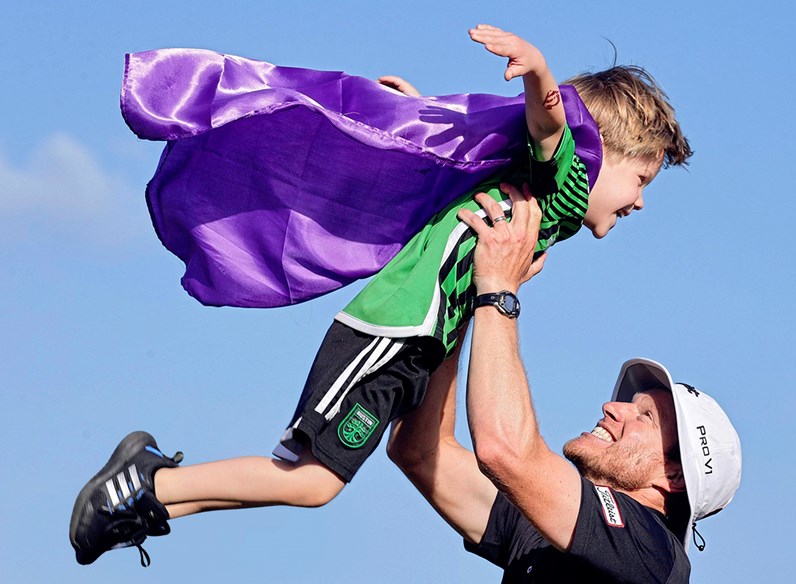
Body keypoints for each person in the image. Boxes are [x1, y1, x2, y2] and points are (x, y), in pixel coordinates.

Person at [70, 26, 691, 566]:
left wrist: (418, 115)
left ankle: (148, 494)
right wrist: (542, 74)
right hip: (395, 329)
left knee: (316, 481)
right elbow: (553, 125)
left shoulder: (540, 199)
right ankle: (146, 486)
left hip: (424, 339)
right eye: (639, 178)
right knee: (315, 481)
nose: (639, 199)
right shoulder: (565, 181)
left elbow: (465, 162)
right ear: (599, 151)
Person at [388, 185, 742, 582]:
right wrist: (464, 298)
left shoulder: (652, 553)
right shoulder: (549, 532)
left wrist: (498, 290)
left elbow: (505, 452)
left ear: (674, 477)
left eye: (645, 416)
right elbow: (419, 451)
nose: (613, 408)